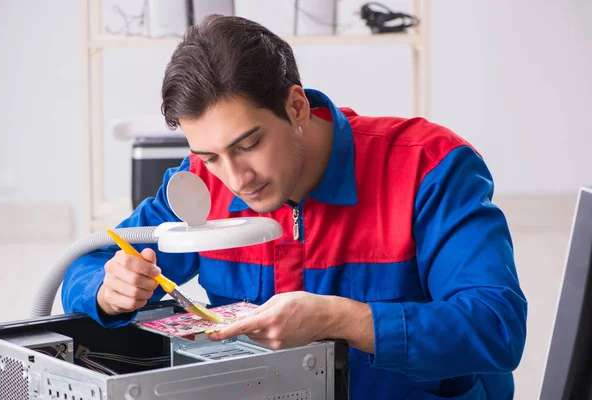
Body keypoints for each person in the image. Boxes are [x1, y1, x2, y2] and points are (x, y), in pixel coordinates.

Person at [62, 15, 527, 400]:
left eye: (250, 144)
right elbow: (90, 262)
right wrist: (110, 288)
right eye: (209, 156)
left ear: (297, 106)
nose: (235, 178)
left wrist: (341, 319)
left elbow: (496, 326)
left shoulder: (429, 167)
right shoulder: (203, 179)